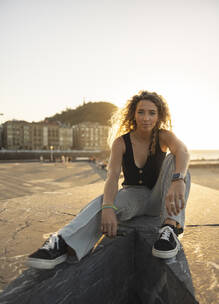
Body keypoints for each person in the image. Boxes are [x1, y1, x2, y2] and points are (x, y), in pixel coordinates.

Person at [27, 90, 191, 270]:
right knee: (102, 203)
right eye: (141, 112)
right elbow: (112, 177)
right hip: (133, 196)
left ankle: (170, 229)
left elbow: (183, 151)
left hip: (161, 196)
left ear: (159, 116)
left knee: (177, 161)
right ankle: (62, 243)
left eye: (152, 112)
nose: (146, 118)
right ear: (133, 114)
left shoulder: (163, 136)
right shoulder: (121, 142)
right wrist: (107, 207)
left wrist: (178, 180)